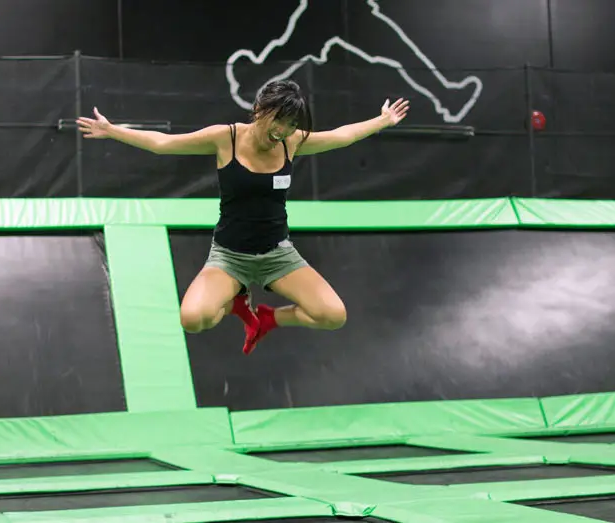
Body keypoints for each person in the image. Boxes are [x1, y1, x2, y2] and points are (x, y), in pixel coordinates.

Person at [76, 79, 409, 354]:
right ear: (260, 110)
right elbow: (164, 144)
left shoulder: (292, 143)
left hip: (278, 256)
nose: (283, 129)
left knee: (332, 315)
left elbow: (342, 136)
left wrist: (383, 120)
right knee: (194, 319)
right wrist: (113, 130)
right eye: (279, 119)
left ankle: (267, 319)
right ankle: (235, 300)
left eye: (291, 124)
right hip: (229, 257)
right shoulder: (227, 138)